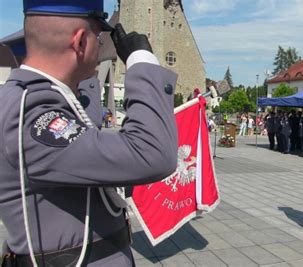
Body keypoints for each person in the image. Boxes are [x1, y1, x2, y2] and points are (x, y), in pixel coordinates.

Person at [0, 1, 178, 266]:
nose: (101, 45)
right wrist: (142, 62)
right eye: (98, 35)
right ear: (81, 41)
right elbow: (151, 153)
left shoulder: (39, 99)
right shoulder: (32, 113)